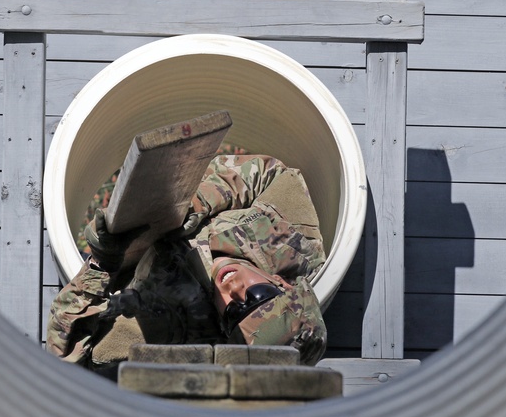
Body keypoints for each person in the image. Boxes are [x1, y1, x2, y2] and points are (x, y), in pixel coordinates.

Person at [45, 154, 328, 379]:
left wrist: (101, 263)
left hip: (128, 246)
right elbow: (273, 173)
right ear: (283, 284)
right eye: (256, 297)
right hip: (186, 177)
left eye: (234, 311)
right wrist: (198, 203)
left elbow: (66, 357)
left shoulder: (175, 329)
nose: (233, 289)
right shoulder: (294, 241)